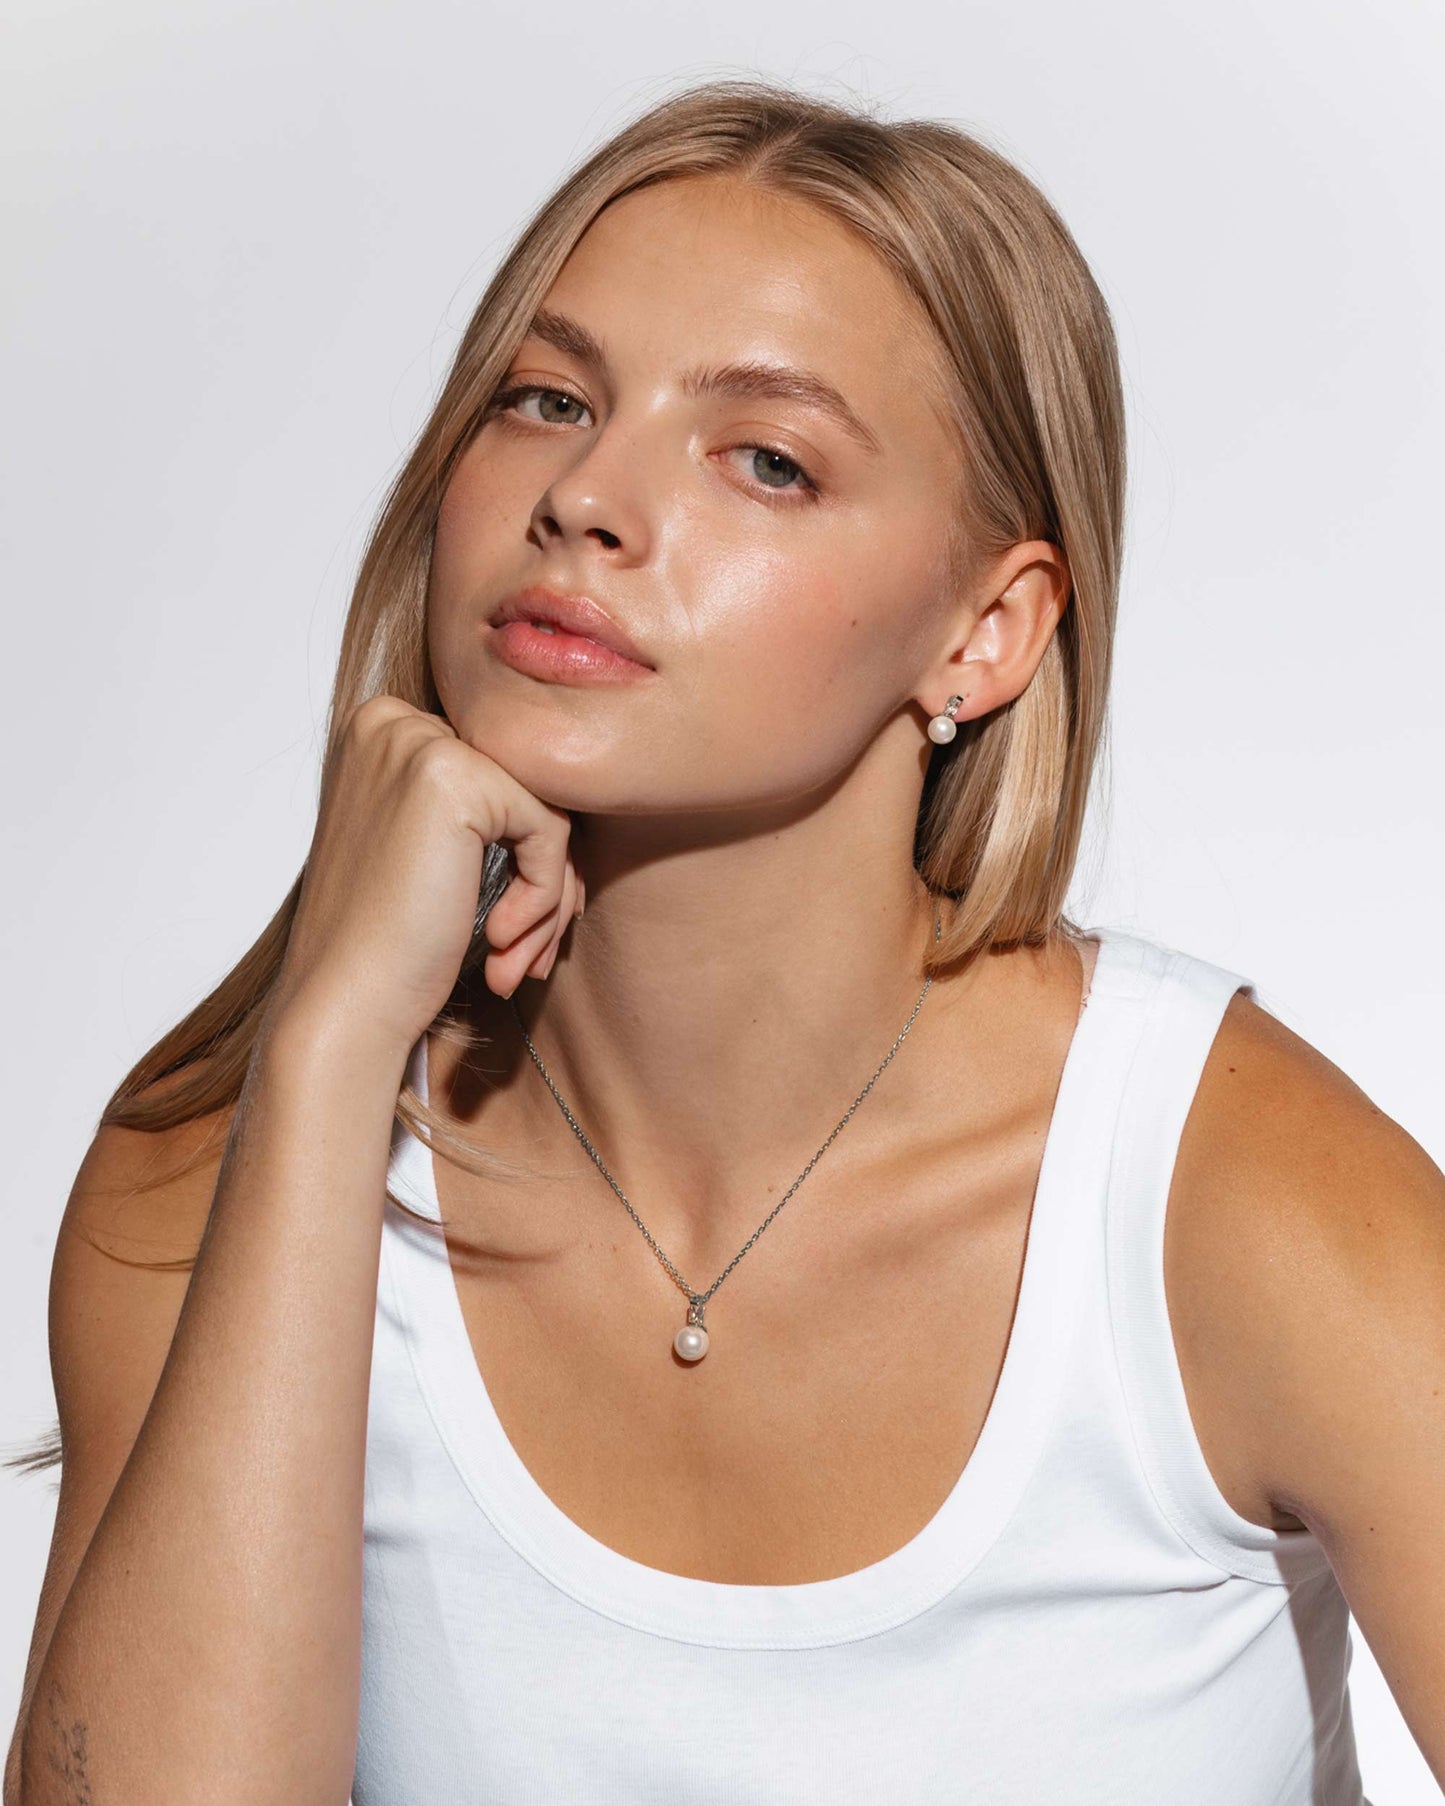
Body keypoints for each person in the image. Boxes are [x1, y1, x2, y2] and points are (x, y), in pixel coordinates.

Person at [3, 75, 1439, 1806]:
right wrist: (323, 1057)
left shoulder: (1242, 1209)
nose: (585, 497)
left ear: (985, 632)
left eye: (766, 457)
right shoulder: (215, 1174)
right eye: (545, 399)